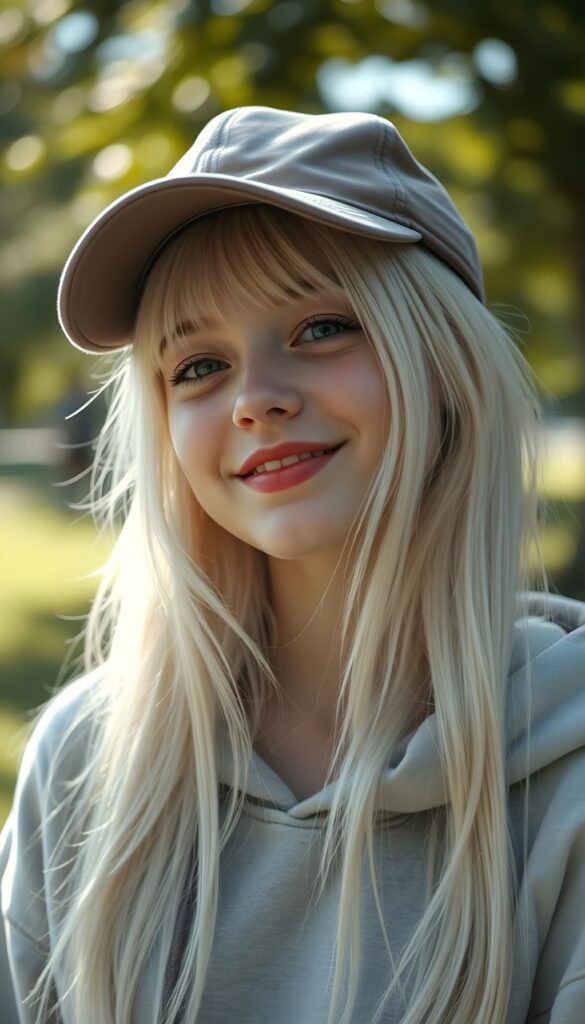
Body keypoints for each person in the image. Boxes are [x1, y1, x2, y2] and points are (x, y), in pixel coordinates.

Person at [1, 105, 584, 1024]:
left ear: (441, 365)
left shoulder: (569, 777)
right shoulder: (86, 759)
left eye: (319, 327)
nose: (256, 399)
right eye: (196, 366)